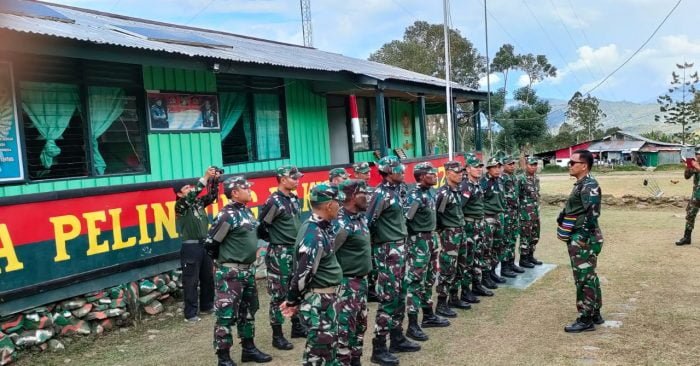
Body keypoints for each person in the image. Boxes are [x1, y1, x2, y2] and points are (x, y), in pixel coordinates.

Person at [204, 176, 272, 366]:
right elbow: (211, 244)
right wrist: (225, 262)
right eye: (246, 188)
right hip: (230, 273)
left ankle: (248, 349)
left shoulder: (247, 212)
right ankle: (223, 357)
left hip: (248, 271)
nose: (250, 191)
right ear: (234, 192)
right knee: (226, 315)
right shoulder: (226, 215)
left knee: (248, 311)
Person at [280, 184, 344, 365]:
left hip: (325, 299)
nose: (340, 206)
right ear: (329, 205)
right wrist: (292, 301)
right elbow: (303, 274)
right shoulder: (313, 233)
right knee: (318, 354)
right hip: (318, 301)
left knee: (327, 351)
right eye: (337, 202)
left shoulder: (320, 227)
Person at [367, 156, 419, 366]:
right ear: (388, 172)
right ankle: (379, 347)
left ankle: (397, 337)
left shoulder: (397, 190)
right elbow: (369, 223)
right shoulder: (379, 195)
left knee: (400, 294)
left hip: (401, 247)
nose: (402, 171)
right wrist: (378, 248)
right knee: (388, 298)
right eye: (398, 169)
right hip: (387, 251)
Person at [258, 165, 306, 351]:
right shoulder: (273, 202)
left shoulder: (294, 199)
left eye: (298, 177)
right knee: (279, 294)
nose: (297, 180)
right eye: (293, 178)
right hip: (280, 253)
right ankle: (277, 336)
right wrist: (275, 241)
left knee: (296, 288)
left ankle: (297, 326)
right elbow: (262, 227)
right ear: (282, 179)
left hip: (295, 251)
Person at [557, 149, 605, 333]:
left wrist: (583, 238)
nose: (569, 165)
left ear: (584, 166)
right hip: (579, 234)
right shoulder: (581, 184)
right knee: (589, 275)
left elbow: (592, 214)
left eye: (572, 163)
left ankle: (585, 319)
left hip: (583, 237)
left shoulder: (589, 185)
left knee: (583, 278)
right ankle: (595, 313)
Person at [404, 162, 450, 343]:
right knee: (415, 281)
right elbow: (405, 221)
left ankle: (429, 314)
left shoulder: (430, 193)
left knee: (430, 278)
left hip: (431, 239)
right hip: (418, 242)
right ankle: (413, 324)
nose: (435, 176)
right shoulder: (413, 197)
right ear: (421, 176)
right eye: (431, 174)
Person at [333, 179, 372, 366]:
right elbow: (328, 253)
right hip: (346, 285)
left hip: (361, 282)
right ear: (352, 197)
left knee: (360, 326)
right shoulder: (340, 223)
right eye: (364, 193)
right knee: (344, 330)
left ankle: (356, 361)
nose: (369, 197)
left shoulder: (360, 217)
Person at [174, 167, 220, 323]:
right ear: (179, 194)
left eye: (189, 186)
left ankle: (207, 306)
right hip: (190, 247)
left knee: (208, 277)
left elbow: (212, 196)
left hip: (204, 245)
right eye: (186, 188)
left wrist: (214, 180)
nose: (190, 189)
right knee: (191, 281)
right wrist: (205, 177)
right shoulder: (180, 205)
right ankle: (191, 313)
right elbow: (193, 195)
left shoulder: (198, 203)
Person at [434, 161, 472, 319]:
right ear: (448, 172)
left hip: (460, 232)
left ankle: (454, 297)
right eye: (456, 172)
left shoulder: (457, 190)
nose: (460, 174)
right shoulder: (443, 193)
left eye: (461, 172)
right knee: (447, 268)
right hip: (449, 234)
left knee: (461, 266)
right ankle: (441, 303)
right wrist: (443, 231)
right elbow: (437, 215)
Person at [460, 154, 493, 298]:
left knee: (478, 255)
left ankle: (477, 284)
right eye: (475, 167)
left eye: (480, 167)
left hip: (479, 225)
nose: (479, 170)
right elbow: (459, 208)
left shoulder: (477, 184)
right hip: (469, 226)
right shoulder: (465, 186)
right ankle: (466, 290)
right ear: (467, 169)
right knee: (468, 259)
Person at [480, 157, 506, 289]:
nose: (497, 169)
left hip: (499, 216)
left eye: (499, 167)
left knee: (497, 246)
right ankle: (485, 276)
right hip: (487, 218)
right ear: (488, 169)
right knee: (487, 248)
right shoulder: (483, 183)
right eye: (494, 167)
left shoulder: (500, 181)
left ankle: (492, 271)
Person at [500, 156, 524, 277]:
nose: (512, 166)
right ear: (503, 166)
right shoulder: (502, 178)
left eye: (513, 164)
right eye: (509, 164)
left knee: (513, 238)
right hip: (506, 213)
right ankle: (504, 267)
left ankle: (511, 263)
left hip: (514, 213)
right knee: (506, 240)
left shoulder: (514, 177)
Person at [518, 157, 543, 267]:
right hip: (525, 214)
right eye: (531, 165)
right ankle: (523, 259)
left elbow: (537, 195)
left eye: (535, 165)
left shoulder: (536, 179)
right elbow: (516, 197)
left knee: (535, 236)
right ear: (526, 165)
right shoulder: (521, 179)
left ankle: (530, 256)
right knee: (525, 237)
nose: (533, 167)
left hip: (535, 212)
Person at [676, 149, 700, 245]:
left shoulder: (697, 165)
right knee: (690, 215)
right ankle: (687, 237)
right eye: (697, 154)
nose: (698, 156)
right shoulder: (695, 164)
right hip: (697, 196)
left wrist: (697, 167)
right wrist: (688, 166)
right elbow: (687, 176)